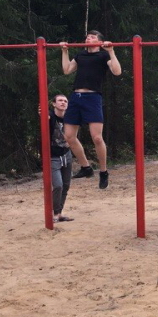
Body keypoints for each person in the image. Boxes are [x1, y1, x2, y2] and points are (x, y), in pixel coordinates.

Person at [60, 31, 122, 189]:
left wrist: (111, 51)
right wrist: (64, 51)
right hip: (76, 97)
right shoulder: (80, 55)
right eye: (87, 36)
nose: (88, 38)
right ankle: (86, 167)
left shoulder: (103, 56)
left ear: (99, 42)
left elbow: (117, 71)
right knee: (69, 136)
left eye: (93, 37)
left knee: (97, 138)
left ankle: (103, 171)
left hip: (93, 97)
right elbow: (67, 70)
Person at [48, 94, 74, 223]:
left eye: (65, 101)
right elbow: (45, 117)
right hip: (53, 156)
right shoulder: (50, 116)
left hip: (66, 154)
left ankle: (58, 213)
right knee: (58, 185)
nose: (63, 103)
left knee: (66, 185)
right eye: (60, 100)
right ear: (54, 104)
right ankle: (54, 213)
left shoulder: (70, 118)